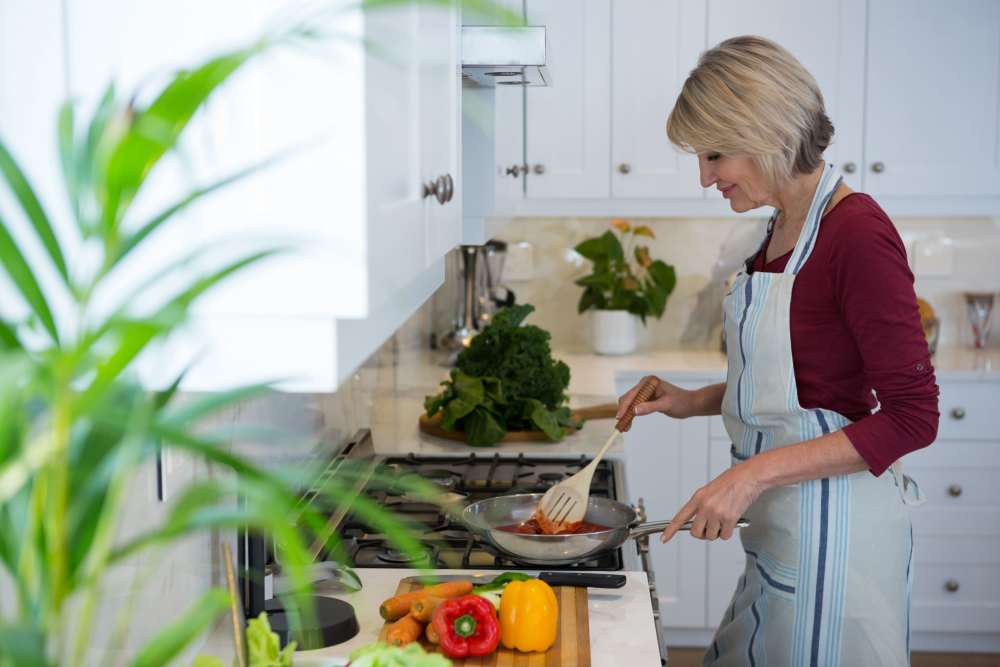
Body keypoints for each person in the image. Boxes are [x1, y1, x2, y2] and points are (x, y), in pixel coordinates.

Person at [616, 36, 939, 666]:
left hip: (835, 541)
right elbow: (802, 385)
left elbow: (912, 416)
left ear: (765, 132)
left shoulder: (857, 235)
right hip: (787, 529)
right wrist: (691, 401)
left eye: (714, 154)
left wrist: (748, 475)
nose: (705, 176)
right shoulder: (779, 229)